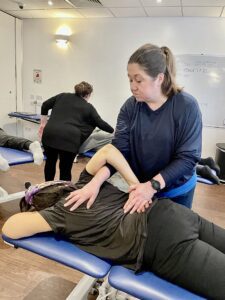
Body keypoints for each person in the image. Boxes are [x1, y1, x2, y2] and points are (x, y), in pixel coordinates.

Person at [2, 144, 225, 299]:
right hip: (172, 212)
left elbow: (10, 228)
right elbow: (109, 151)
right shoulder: (86, 183)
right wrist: (135, 186)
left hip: (162, 243)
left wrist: (37, 210)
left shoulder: (59, 214)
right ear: (61, 184)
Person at [66, 43, 202, 211]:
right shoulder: (130, 108)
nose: (132, 86)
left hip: (177, 190)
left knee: (175, 233)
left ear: (159, 78)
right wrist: (94, 183)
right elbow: (119, 152)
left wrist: (151, 186)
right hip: (142, 187)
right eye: (130, 79)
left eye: (138, 80)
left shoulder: (186, 106)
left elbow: (187, 158)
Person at [38, 81, 114, 182]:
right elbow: (100, 123)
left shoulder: (62, 96)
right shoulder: (88, 107)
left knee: (50, 163)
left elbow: (44, 105)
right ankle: (62, 193)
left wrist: (43, 124)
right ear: (88, 94)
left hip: (50, 135)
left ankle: (47, 188)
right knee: (65, 170)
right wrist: (113, 130)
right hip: (69, 140)